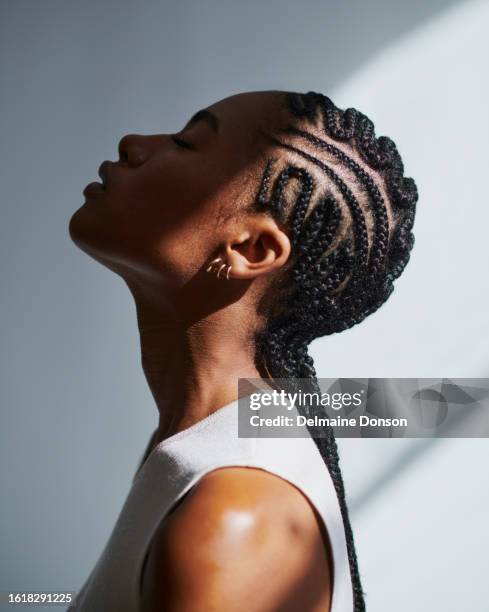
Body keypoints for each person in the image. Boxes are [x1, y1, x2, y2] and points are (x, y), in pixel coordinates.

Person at [68, 89, 418, 612]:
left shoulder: (234, 512)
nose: (135, 144)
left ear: (252, 250)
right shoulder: (198, 444)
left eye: (185, 143)